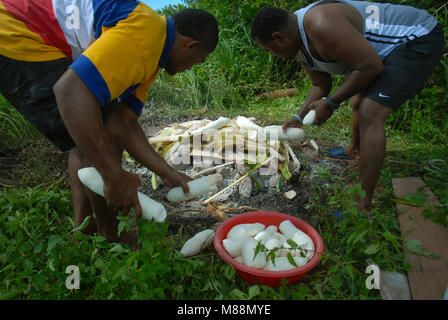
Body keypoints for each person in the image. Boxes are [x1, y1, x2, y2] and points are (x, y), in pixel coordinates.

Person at [0, 0, 219, 245]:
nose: (190, 68)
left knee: (95, 125)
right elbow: (70, 92)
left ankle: (84, 231)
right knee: (91, 126)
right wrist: (113, 177)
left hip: (24, 28)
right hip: (15, 29)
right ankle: (111, 235)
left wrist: (165, 171)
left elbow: (123, 121)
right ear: (191, 46)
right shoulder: (145, 36)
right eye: (197, 61)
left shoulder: (152, 49)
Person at [251, 1, 444, 213]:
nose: (271, 53)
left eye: (268, 49)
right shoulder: (298, 41)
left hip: (415, 38)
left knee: (370, 112)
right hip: (377, 55)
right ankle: (354, 150)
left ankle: (362, 202)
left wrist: (331, 102)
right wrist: (299, 115)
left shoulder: (320, 23)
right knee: (357, 99)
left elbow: (369, 66)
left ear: (280, 37)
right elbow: (320, 84)